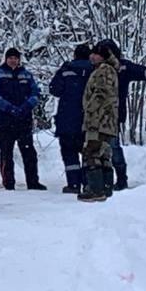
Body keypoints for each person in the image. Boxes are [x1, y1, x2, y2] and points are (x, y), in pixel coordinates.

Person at [93, 38, 146, 191]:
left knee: (110, 146)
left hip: (108, 114)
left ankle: (115, 179)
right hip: (104, 114)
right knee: (107, 147)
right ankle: (109, 179)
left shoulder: (121, 68)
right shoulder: (99, 68)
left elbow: (144, 72)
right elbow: (144, 72)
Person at [0, 48, 46, 191]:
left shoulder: (26, 75)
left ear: (19, 59)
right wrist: (8, 108)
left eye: (15, 58)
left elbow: (35, 93)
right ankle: (8, 182)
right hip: (5, 120)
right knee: (6, 152)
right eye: (10, 58)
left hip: (23, 119)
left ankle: (33, 182)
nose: (13, 61)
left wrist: (27, 106)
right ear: (6, 59)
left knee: (29, 153)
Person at [48, 43, 93, 194]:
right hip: (88, 119)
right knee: (88, 153)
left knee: (69, 153)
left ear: (74, 55)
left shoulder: (66, 69)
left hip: (67, 118)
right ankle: (88, 182)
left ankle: (73, 184)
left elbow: (54, 89)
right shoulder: (95, 69)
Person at [80, 42, 120, 201]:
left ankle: (96, 189)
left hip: (99, 120)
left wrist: (89, 109)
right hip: (106, 121)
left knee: (92, 152)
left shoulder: (104, 70)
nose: (92, 56)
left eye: (95, 54)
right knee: (103, 154)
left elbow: (101, 93)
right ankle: (106, 187)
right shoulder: (108, 70)